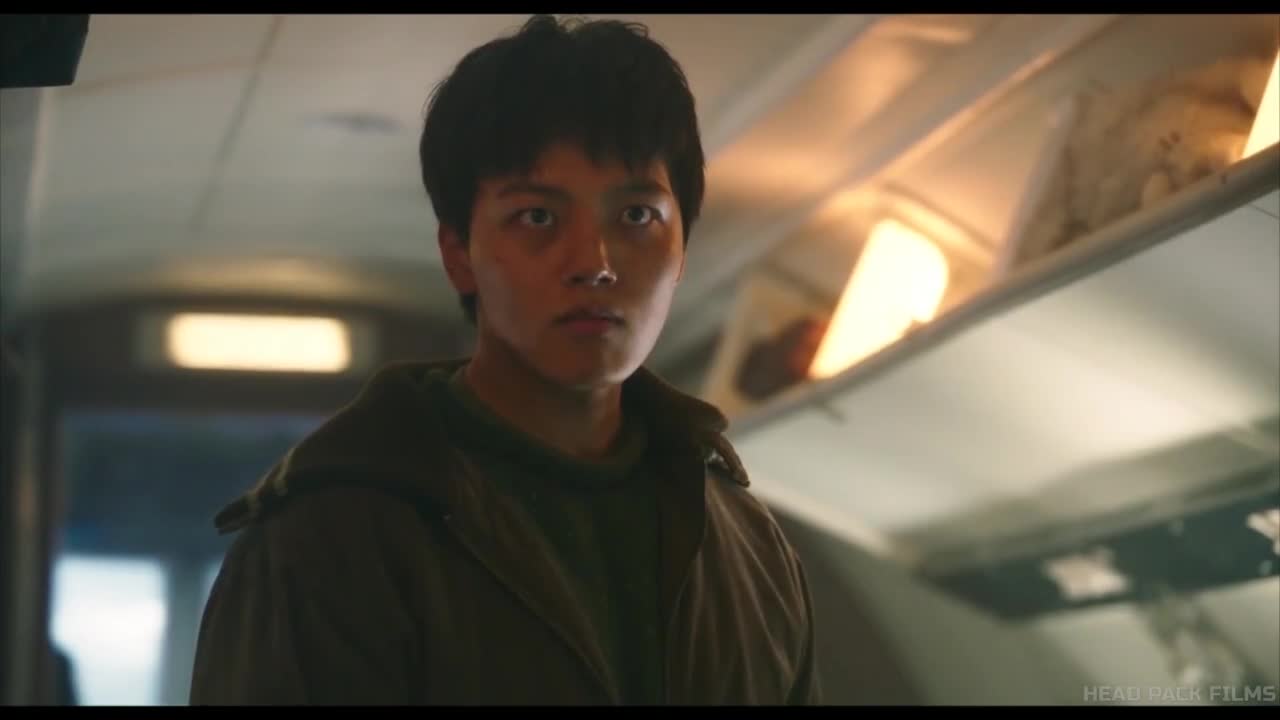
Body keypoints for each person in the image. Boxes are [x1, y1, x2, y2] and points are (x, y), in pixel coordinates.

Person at [189, 14, 821, 706]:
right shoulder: (331, 540)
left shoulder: (747, 546)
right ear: (459, 253)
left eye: (637, 216)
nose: (594, 262)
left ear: (682, 249)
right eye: (538, 218)